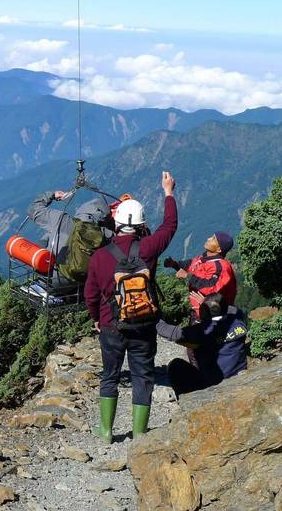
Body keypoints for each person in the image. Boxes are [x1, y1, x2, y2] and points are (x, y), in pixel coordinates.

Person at [85, 171, 178, 443]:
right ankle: (139, 433)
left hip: (111, 325)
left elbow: (91, 294)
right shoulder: (148, 248)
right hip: (143, 324)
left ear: (115, 222)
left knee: (109, 375)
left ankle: (105, 431)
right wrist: (168, 193)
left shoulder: (100, 257)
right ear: (140, 224)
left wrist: (96, 318)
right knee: (142, 376)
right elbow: (170, 226)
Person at [157, 292, 247, 394]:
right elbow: (229, 308)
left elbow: (173, 333)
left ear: (204, 311)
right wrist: (209, 302)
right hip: (240, 376)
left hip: (215, 383)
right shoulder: (238, 319)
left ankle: (190, 401)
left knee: (175, 366)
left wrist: (154, 319)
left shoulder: (203, 331)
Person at [26, 189, 111, 285]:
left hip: (55, 279)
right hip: (80, 285)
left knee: (47, 237)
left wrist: (52, 195)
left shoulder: (62, 220)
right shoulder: (104, 236)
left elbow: (33, 209)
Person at [164, 231, 237, 321]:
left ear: (219, 249)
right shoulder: (204, 257)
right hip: (198, 311)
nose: (208, 239)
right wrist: (174, 264)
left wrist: (188, 277)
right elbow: (190, 265)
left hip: (211, 315)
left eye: (213, 239)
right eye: (211, 236)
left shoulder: (221, 267)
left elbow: (212, 288)